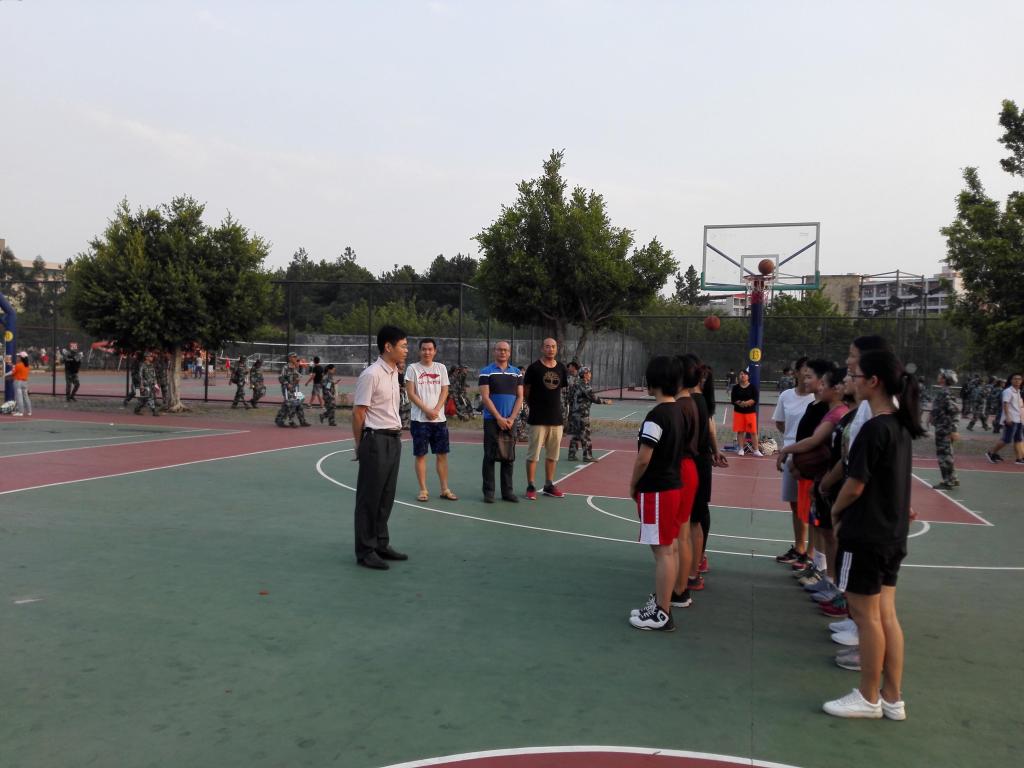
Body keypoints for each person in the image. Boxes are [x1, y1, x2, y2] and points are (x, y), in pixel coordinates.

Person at [822, 348, 924, 720]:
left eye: (856, 375)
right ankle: (892, 697)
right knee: (886, 616)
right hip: (892, 535)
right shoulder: (900, 425)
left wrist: (836, 510)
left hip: (866, 534)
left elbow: (855, 484)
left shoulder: (874, 428)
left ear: (874, 381)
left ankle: (868, 697)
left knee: (867, 619)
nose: (852, 380)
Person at [628, 356, 686, 632]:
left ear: (654, 382)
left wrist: (633, 484)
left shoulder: (657, 416)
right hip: (672, 487)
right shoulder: (678, 412)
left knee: (663, 551)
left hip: (657, 490)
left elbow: (643, 458)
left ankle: (662, 613)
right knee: (669, 548)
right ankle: (662, 604)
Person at [351, 325, 410, 570]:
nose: (406, 350)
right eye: (403, 346)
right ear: (388, 347)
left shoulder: (394, 373)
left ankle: (380, 543)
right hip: (375, 440)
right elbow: (358, 413)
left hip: (393, 439)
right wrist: (360, 445)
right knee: (370, 498)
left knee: (386, 496)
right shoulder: (372, 374)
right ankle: (365, 551)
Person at [772, 356, 815, 568]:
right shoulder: (786, 396)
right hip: (790, 454)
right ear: (796, 373)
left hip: (810, 456)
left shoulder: (817, 398)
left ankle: (812, 553)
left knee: (811, 505)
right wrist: (790, 440)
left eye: (811, 372)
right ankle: (799, 548)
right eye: (805, 371)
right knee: (795, 504)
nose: (808, 375)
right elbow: (780, 423)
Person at [405, 339, 457, 502]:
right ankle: (423, 490)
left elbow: (444, 391)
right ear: (419, 351)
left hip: (439, 421)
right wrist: (427, 410)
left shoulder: (441, 368)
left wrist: (436, 410)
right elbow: (411, 393)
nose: (427, 352)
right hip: (419, 420)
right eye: (424, 349)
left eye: (430, 349)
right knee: (420, 455)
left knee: (442, 455)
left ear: (435, 351)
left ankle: (445, 489)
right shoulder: (412, 368)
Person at [523, 338, 568, 500]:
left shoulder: (561, 368)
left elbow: (562, 391)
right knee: (533, 455)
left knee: (552, 455)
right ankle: (531, 486)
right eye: (547, 346)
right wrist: (534, 406)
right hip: (537, 419)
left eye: (553, 346)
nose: (550, 349)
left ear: (557, 349)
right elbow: (526, 391)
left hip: (556, 419)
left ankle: (549, 485)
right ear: (542, 349)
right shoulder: (534, 368)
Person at [479, 341, 524, 503]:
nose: (502, 352)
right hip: (492, 420)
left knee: (508, 456)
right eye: (499, 350)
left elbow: (520, 396)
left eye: (505, 350)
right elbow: (485, 397)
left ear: (509, 353)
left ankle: (507, 492)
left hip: (510, 422)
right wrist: (498, 417)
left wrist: (511, 418)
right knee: (490, 456)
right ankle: (489, 492)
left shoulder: (517, 373)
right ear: (495, 352)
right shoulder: (486, 372)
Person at [566, 367, 611, 462]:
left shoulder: (575, 385)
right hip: (582, 414)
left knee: (576, 435)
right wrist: (606, 402)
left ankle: (571, 455)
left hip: (574, 414)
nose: (590, 375)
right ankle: (587, 456)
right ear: (585, 375)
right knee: (585, 435)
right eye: (589, 373)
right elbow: (594, 398)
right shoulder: (585, 386)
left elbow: (569, 398)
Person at [929, 370, 960, 488]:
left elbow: (955, 411)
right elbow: (939, 409)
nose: (938, 376)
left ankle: (948, 481)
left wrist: (954, 430)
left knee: (944, 455)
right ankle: (953, 478)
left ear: (944, 379)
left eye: (941, 375)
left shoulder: (945, 393)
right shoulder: (944, 391)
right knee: (947, 454)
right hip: (942, 427)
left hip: (945, 428)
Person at [985, 373, 1023, 464]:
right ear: (1011, 380)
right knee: (1007, 439)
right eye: (1015, 379)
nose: (1017, 381)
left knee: (1018, 439)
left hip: (1019, 419)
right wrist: (1008, 417)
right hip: (1011, 419)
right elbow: (1005, 404)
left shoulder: (1018, 391)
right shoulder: (1008, 391)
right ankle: (991, 453)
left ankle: (1019, 459)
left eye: (1019, 379)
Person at [731, 368, 763, 456]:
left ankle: (756, 450)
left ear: (748, 377)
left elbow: (755, 399)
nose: (743, 375)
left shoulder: (753, 387)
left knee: (753, 432)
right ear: (739, 376)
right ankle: (741, 449)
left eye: (745, 374)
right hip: (739, 412)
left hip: (750, 413)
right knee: (740, 431)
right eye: (741, 374)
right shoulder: (735, 387)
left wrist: (747, 403)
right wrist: (741, 403)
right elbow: (733, 399)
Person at [275, 353, 310, 427]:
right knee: (292, 403)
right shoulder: (286, 367)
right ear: (290, 358)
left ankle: (302, 421)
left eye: (296, 357)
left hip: (295, 389)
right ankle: (290, 421)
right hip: (287, 389)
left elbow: (298, 377)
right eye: (294, 357)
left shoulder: (296, 367)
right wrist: (287, 384)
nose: (296, 358)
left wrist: (298, 377)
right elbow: (281, 378)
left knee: (301, 399)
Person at [133, 351, 159, 416]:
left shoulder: (151, 365)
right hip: (144, 385)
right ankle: (154, 411)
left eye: (152, 356)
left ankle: (137, 409)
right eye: (150, 356)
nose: (152, 358)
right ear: (146, 357)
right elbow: (140, 376)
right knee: (150, 397)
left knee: (144, 400)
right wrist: (141, 385)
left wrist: (156, 384)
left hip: (151, 384)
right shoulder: (142, 365)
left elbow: (154, 375)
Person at [9, 351, 32, 416]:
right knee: (26, 397)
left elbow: (12, 372)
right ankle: (29, 411)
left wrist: (4, 374)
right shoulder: (27, 365)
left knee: (19, 397)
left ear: (21, 358)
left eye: (18, 356)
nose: (17, 357)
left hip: (18, 382)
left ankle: (20, 412)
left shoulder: (18, 365)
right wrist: (13, 366)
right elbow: (18, 369)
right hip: (25, 382)